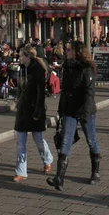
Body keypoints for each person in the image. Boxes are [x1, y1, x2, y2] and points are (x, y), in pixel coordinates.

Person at [47, 40, 100, 191]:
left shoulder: (86, 68)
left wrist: (85, 112)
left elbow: (89, 93)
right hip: (69, 110)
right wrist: (60, 109)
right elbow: (65, 91)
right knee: (65, 141)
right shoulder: (67, 66)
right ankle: (59, 178)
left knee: (91, 140)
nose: (66, 52)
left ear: (77, 52)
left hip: (85, 110)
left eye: (69, 50)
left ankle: (95, 172)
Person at [13, 46, 53, 182]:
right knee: (20, 142)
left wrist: (38, 110)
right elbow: (20, 88)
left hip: (35, 108)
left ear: (28, 56)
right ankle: (21, 172)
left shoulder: (38, 70)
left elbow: (40, 93)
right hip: (23, 109)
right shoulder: (21, 70)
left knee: (38, 139)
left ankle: (47, 159)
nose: (19, 58)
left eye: (21, 56)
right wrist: (18, 102)